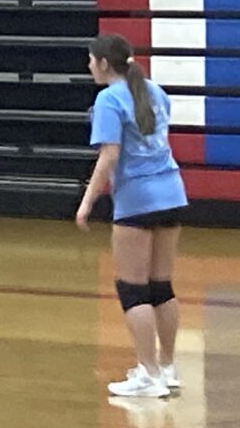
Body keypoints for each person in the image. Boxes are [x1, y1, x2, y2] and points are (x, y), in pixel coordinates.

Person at [74, 34, 187, 400]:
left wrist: (87, 202)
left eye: (91, 60)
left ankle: (149, 374)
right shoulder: (155, 91)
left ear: (104, 64)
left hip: (137, 198)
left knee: (133, 289)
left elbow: (109, 156)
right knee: (161, 286)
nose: (89, 66)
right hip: (172, 192)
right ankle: (166, 368)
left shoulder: (108, 99)